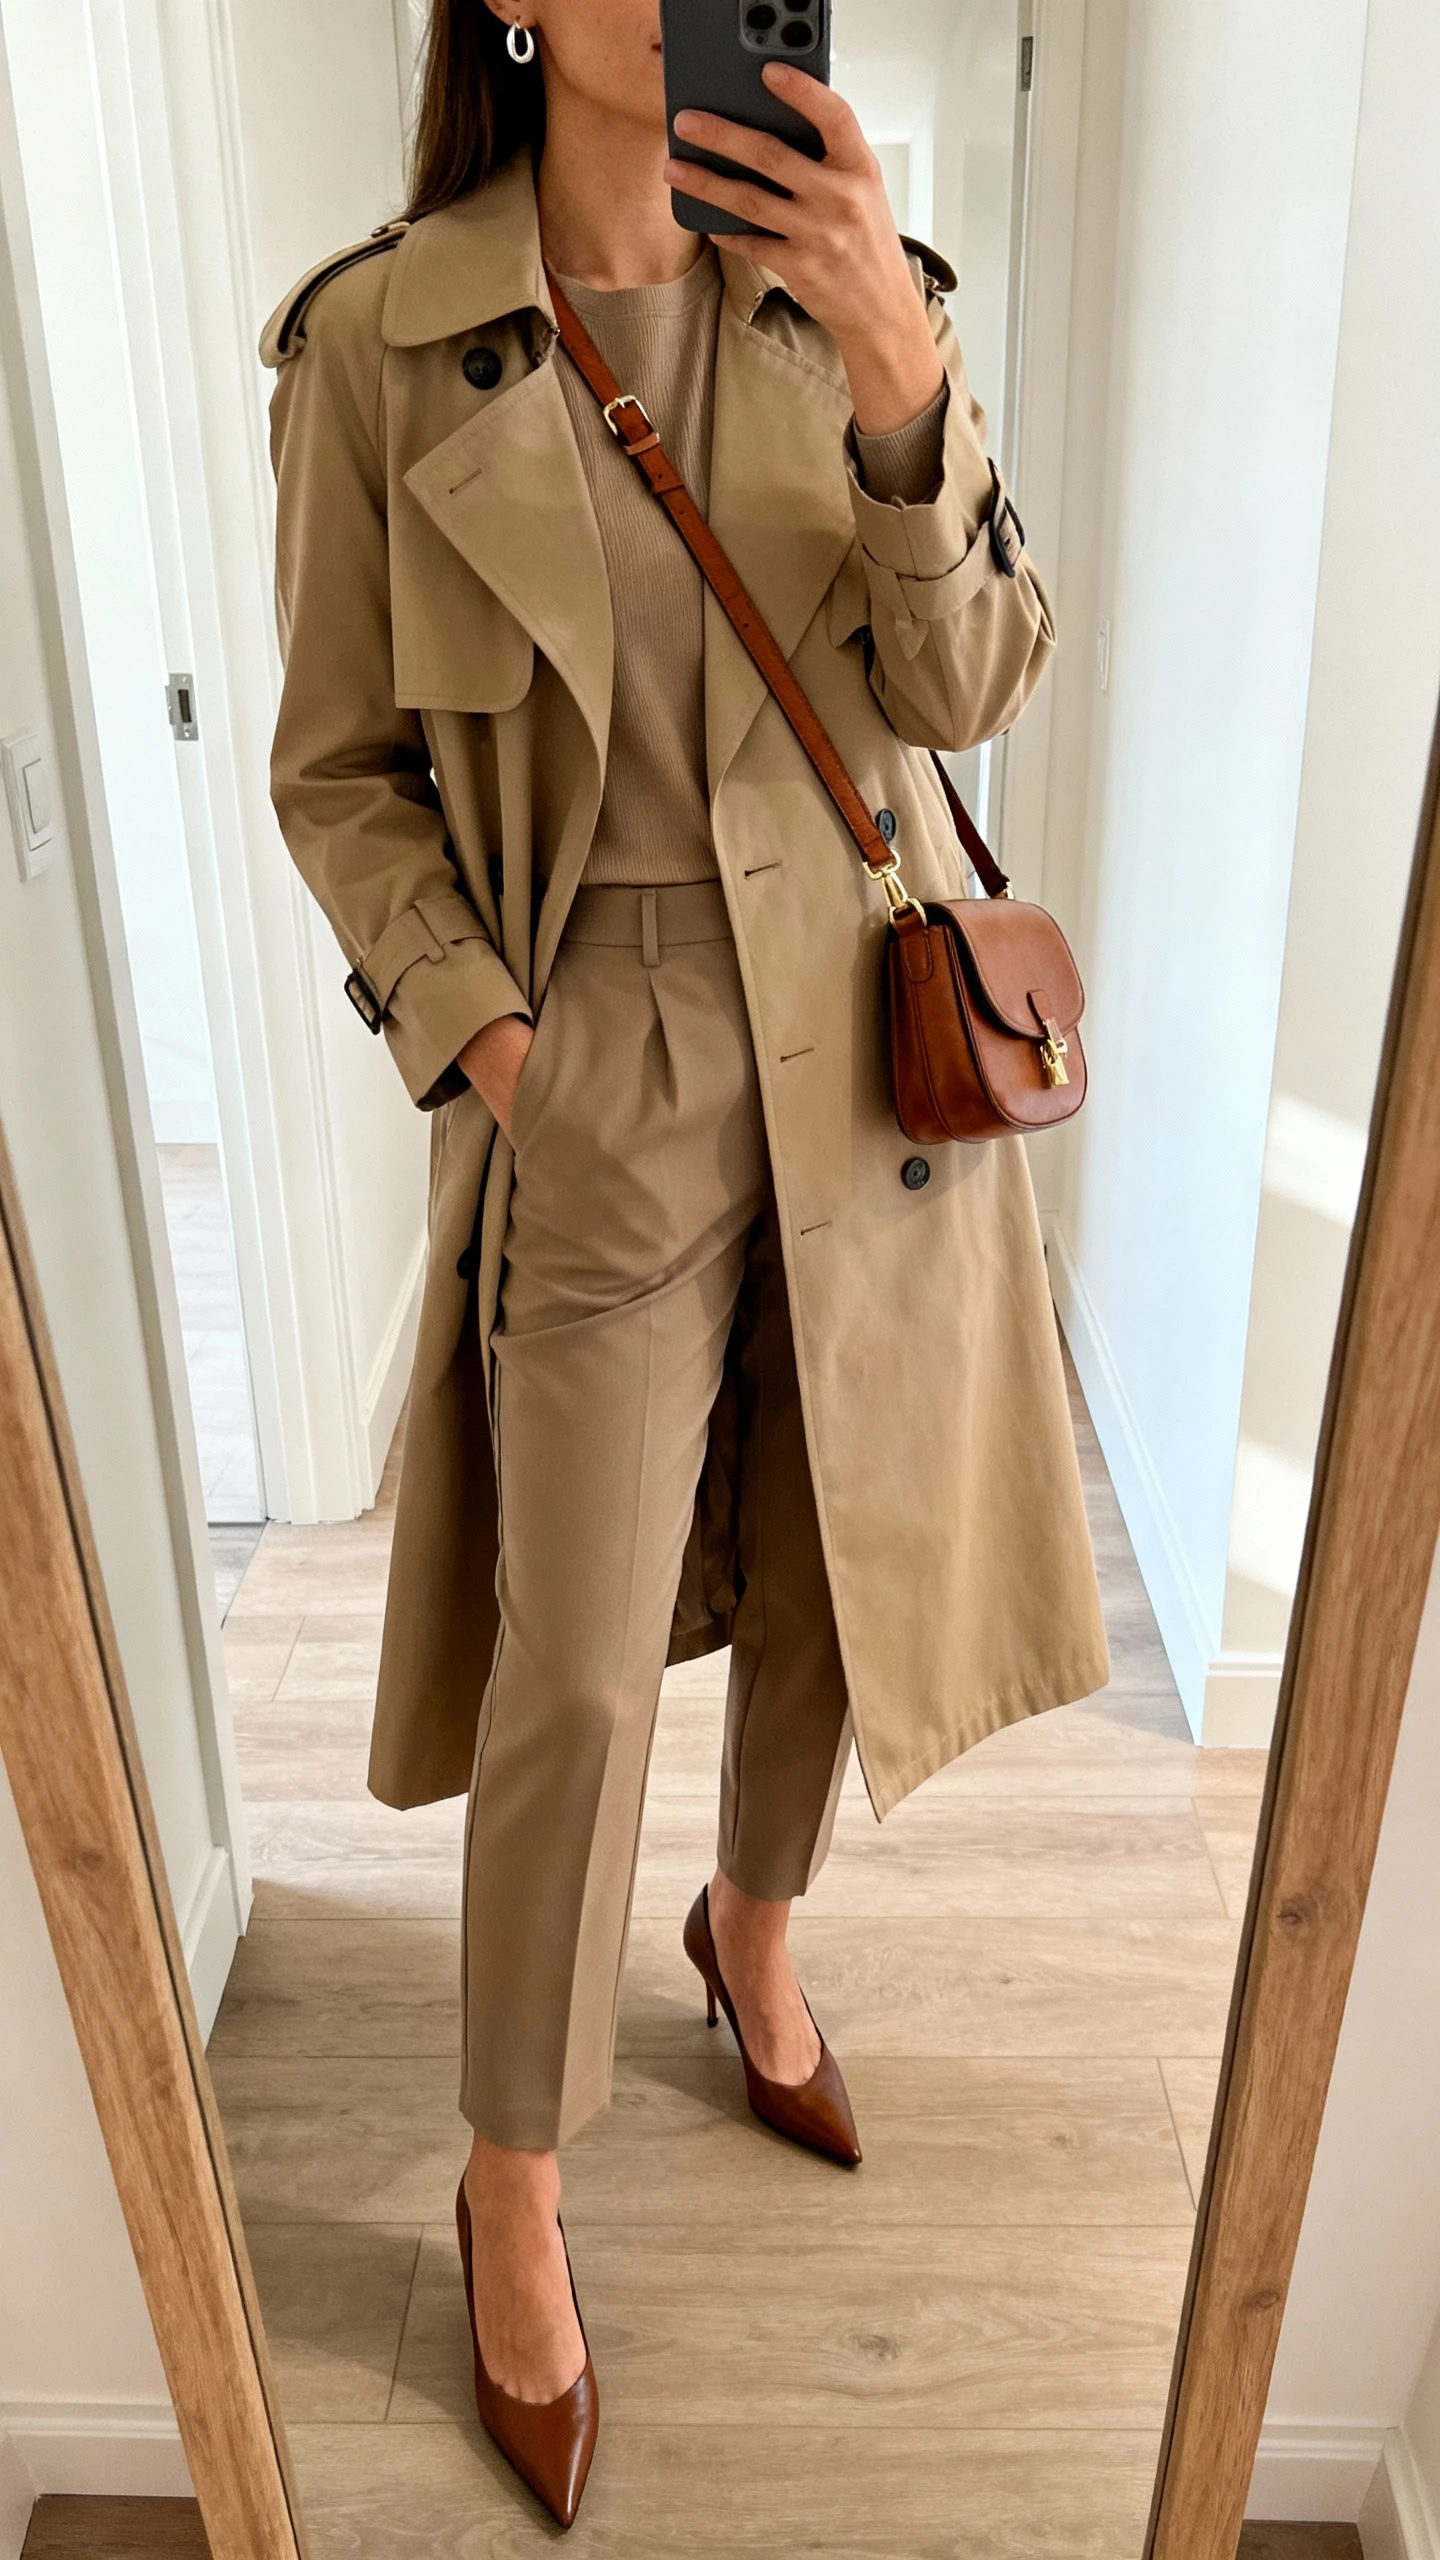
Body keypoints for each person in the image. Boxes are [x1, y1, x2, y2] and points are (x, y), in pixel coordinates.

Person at [262, 0, 1108, 2527]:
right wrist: (500, 1048)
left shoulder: (862, 289)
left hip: (867, 1031)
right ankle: (510, 2176)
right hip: (597, 1044)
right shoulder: (379, 343)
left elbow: (967, 681)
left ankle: (755, 1926)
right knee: (573, 1666)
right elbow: (337, 773)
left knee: (842, 1562)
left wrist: (899, 368)